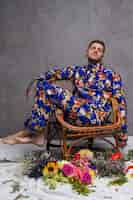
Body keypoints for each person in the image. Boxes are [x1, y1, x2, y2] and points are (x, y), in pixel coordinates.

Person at [0, 40, 128, 148]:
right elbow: (56, 73)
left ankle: (33, 132)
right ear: (87, 52)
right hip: (75, 115)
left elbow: (120, 101)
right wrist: (37, 80)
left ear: (102, 55)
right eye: (93, 48)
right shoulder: (78, 71)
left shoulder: (112, 75)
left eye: (99, 49)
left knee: (48, 90)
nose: (95, 50)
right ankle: (36, 133)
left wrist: (123, 130)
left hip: (94, 115)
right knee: (43, 86)